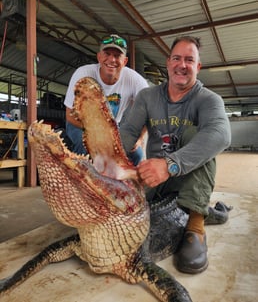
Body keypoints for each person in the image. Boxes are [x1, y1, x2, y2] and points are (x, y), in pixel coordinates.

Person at [119, 36, 231, 274]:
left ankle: (196, 226)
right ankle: (208, 210)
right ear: (168, 63)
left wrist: (170, 164)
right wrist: (108, 162)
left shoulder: (208, 100)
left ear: (198, 67)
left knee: (196, 134)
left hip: (189, 178)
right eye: (177, 58)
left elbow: (221, 134)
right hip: (154, 181)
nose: (182, 65)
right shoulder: (147, 97)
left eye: (189, 60)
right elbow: (128, 131)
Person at [64, 34, 148, 165]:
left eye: (117, 56)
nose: (111, 59)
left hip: (113, 131)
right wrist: (98, 135)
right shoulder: (83, 74)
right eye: (107, 54)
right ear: (99, 57)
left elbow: (150, 111)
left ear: (124, 61)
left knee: (136, 155)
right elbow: (69, 115)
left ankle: (123, 185)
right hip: (80, 125)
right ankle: (80, 182)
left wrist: (140, 138)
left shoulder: (134, 80)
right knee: (87, 150)